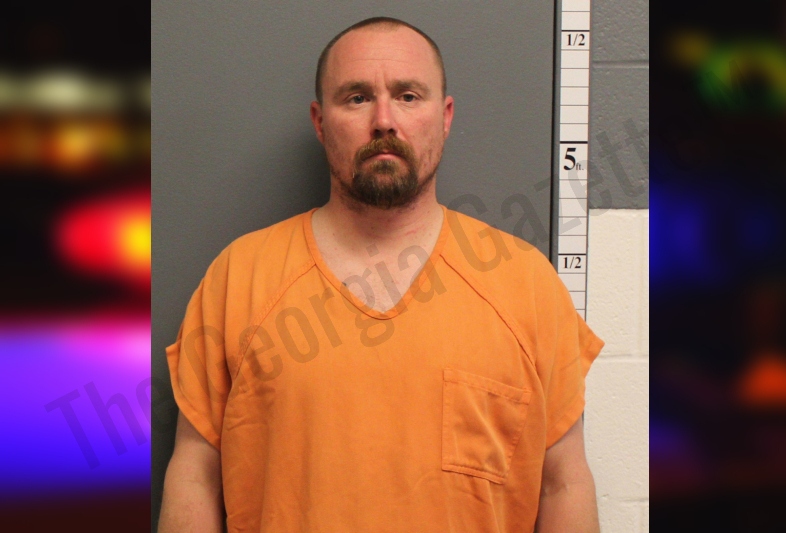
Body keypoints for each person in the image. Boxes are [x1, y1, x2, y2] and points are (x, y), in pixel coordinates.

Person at [159, 17, 603, 533]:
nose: (384, 121)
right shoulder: (239, 277)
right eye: (357, 98)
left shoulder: (525, 282)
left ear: (445, 116)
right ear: (320, 121)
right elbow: (195, 477)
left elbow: (562, 483)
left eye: (408, 96)